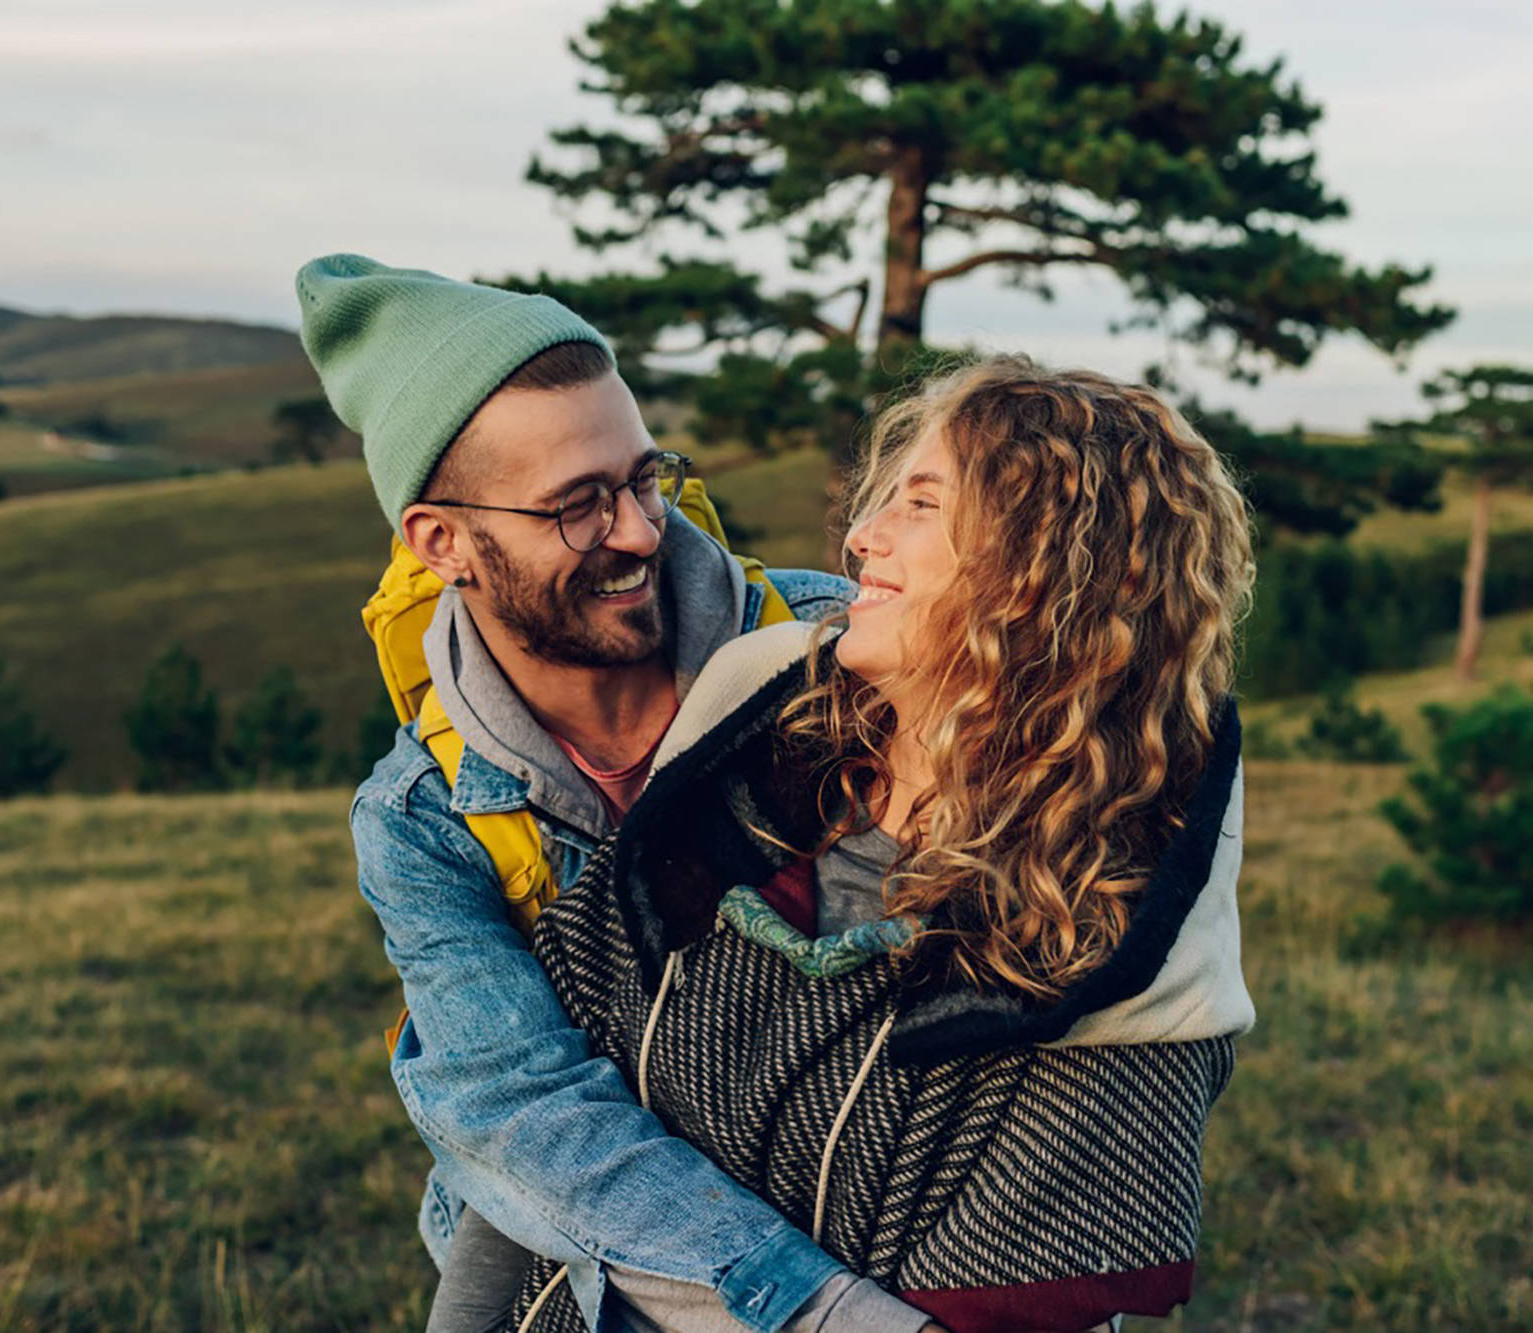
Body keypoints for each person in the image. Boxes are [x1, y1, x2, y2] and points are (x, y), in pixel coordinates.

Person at [516, 355, 1259, 1331]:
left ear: (1047, 565)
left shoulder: (1112, 950)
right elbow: (545, 1117)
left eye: (919, 503)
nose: (861, 537)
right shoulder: (746, 745)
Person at [297, 255, 929, 1333]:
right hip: (604, 1285)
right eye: (579, 506)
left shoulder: (836, 654)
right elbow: (526, 1109)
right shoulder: (425, 819)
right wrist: (822, 1315)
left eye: (643, 478)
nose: (639, 530)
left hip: (894, 1228)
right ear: (440, 542)